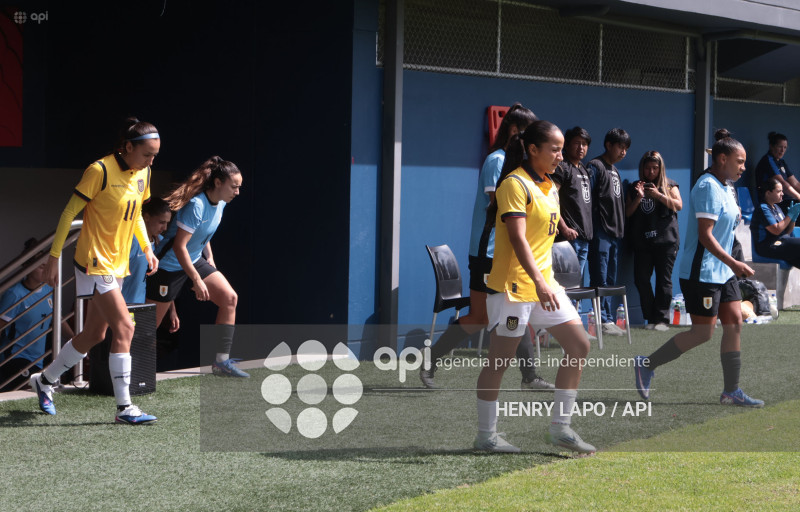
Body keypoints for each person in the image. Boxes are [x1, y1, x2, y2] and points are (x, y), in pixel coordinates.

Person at [473, 120, 595, 455]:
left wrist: (545, 282)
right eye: (555, 149)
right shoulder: (514, 184)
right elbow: (517, 238)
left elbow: (545, 236)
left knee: (579, 345)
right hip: (514, 290)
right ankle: (486, 436)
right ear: (532, 150)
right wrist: (539, 282)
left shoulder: (551, 186)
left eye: (561, 148)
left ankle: (560, 428)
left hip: (544, 286)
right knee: (500, 361)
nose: (561, 154)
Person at [31, 118, 160, 424]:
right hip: (93, 258)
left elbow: (137, 214)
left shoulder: (144, 172)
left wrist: (146, 247)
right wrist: (53, 257)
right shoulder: (99, 170)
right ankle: (125, 408)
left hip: (117, 261)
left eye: (154, 155)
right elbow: (68, 214)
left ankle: (45, 380)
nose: (150, 161)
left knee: (93, 334)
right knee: (125, 328)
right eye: (146, 154)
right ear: (128, 147)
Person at [421, 104, 553, 391]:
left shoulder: (520, 168)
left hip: (501, 254)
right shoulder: (498, 161)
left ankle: (528, 377)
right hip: (489, 253)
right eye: (529, 133)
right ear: (514, 131)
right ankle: (529, 377)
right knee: (494, 314)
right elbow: (500, 207)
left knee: (491, 315)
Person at [634, 136, 764, 408]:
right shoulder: (706, 186)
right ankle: (646, 364)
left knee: (734, 324)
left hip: (724, 273)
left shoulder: (727, 187)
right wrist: (734, 263)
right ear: (722, 159)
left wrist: (732, 265)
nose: (743, 167)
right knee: (703, 333)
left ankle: (731, 391)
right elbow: (705, 236)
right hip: (702, 275)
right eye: (739, 162)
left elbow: (727, 233)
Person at [146, 156, 246, 377]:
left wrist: (209, 259)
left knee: (230, 298)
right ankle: (127, 373)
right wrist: (197, 279)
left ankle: (221, 362)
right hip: (169, 266)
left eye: (239, 187)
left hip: (194, 259)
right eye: (234, 186)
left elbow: (202, 233)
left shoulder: (220, 203)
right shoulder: (196, 205)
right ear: (218, 183)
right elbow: (180, 246)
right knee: (148, 327)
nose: (237, 192)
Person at [0, 239, 74, 391]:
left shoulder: (48, 289)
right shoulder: (15, 294)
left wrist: (76, 340)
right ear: (28, 267)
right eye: (40, 266)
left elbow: (56, 318)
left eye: (47, 266)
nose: (45, 269)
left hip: (41, 358)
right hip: (16, 358)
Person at [625, 151, 682, 331]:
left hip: (666, 241)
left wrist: (658, 195)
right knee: (641, 279)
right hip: (642, 241)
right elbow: (627, 213)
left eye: (655, 168)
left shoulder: (669, 185)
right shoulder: (635, 187)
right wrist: (640, 196)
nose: (651, 172)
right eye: (647, 168)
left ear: (660, 169)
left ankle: (662, 319)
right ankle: (650, 317)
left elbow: (678, 205)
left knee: (663, 281)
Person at [586, 128, 631, 336]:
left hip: (615, 234)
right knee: (600, 276)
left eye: (626, 148)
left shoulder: (614, 170)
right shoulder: (595, 166)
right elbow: (587, 201)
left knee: (611, 278)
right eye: (620, 147)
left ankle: (609, 318)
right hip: (600, 232)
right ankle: (600, 320)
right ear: (608, 145)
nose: (623, 152)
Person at [121, 197, 179, 332]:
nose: (164, 228)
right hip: (122, 307)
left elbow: (165, 278)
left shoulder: (162, 242)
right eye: (161, 222)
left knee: (139, 350)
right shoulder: (131, 241)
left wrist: (172, 310)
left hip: (144, 308)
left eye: (167, 223)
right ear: (146, 217)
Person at [552, 126, 593, 276]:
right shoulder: (562, 168)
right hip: (567, 239)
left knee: (577, 288)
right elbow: (551, 198)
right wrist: (564, 228)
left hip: (584, 239)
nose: (581, 147)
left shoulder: (583, 169)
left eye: (584, 143)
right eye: (577, 143)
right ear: (567, 145)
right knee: (566, 285)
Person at [750, 177, 800, 268]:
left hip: (782, 242)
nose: (782, 194)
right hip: (768, 246)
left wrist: (793, 219)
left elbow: (787, 232)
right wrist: (789, 216)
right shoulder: (763, 208)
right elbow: (776, 230)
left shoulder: (777, 208)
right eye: (779, 191)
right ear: (768, 193)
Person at [754, 131, 800, 209]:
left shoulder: (781, 162)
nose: (782, 150)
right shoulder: (768, 161)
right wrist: (798, 196)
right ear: (771, 146)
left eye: (785, 147)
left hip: (784, 201)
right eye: (780, 147)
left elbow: (795, 183)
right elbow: (783, 183)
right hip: (771, 203)